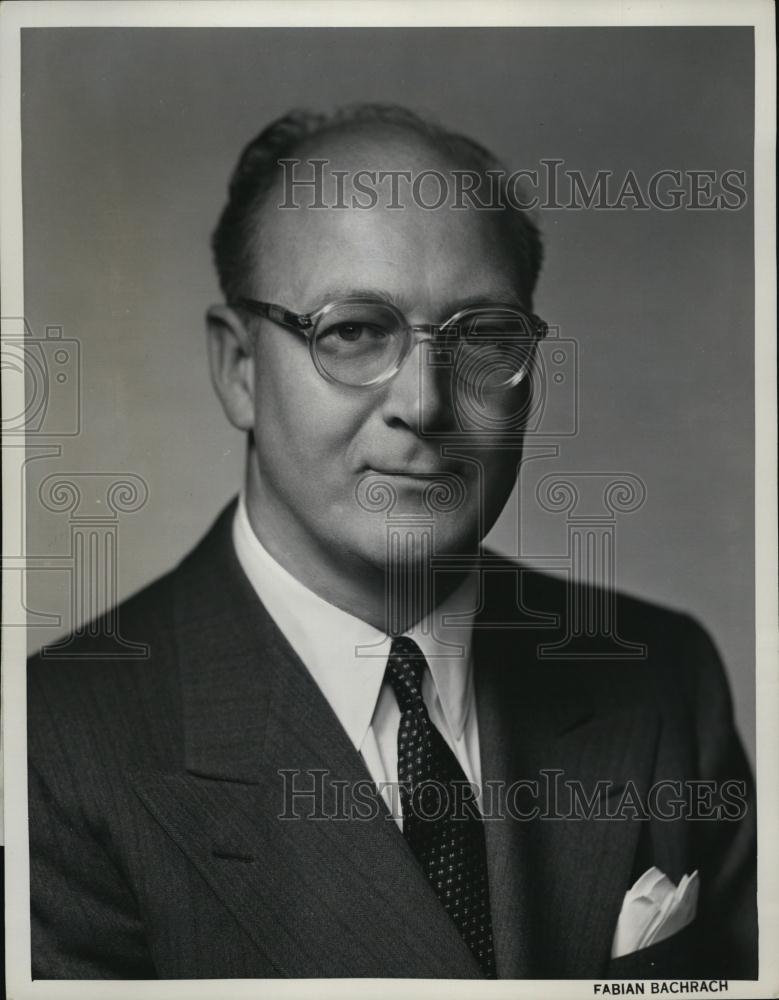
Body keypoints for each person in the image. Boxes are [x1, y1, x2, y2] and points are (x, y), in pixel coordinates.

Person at [27, 104, 757, 981]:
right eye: (354, 331)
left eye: (481, 338)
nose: (426, 402)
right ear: (238, 370)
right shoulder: (51, 749)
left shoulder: (661, 676)